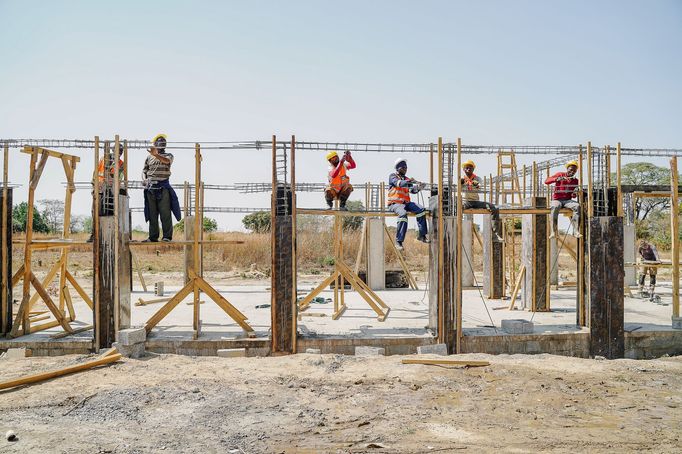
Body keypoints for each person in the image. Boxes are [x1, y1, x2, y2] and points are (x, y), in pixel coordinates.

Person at [142, 134, 181, 242]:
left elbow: (166, 161)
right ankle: (153, 237)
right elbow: (144, 171)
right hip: (151, 188)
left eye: (164, 142)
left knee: (165, 213)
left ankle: (167, 237)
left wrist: (156, 155)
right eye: (159, 142)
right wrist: (144, 180)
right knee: (152, 214)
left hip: (163, 187)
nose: (162, 143)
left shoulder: (169, 155)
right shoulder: (149, 158)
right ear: (155, 144)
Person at [388, 158, 428, 251]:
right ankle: (399, 242)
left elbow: (412, 191)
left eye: (406, 167)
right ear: (398, 168)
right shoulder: (393, 176)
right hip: (395, 204)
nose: (405, 169)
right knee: (403, 214)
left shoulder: (406, 179)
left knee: (421, 210)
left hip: (406, 203)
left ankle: (422, 235)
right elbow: (399, 184)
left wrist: (419, 187)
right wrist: (410, 182)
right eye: (403, 167)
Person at [88, 143, 125, 242]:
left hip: (111, 192)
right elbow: (95, 174)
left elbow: (118, 178)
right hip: (99, 190)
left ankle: (108, 237)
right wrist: (94, 186)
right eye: (118, 150)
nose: (119, 153)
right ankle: (94, 235)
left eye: (121, 151)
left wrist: (109, 176)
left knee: (109, 213)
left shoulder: (121, 164)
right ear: (113, 150)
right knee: (95, 212)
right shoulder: (102, 159)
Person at [461, 160, 503, 242]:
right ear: (464, 169)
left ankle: (495, 235)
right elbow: (458, 185)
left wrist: (475, 184)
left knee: (493, 208)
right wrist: (461, 182)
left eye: (470, 167)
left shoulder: (477, 178)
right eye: (467, 167)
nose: (468, 168)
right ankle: (459, 232)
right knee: (458, 209)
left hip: (475, 202)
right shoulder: (462, 179)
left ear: (473, 169)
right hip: (465, 202)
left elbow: (479, 185)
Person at [545, 160, 581, 239]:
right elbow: (546, 181)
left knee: (577, 206)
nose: (572, 171)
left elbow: (573, 195)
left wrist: (574, 193)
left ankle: (576, 231)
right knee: (554, 207)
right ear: (567, 169)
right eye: (571, 169)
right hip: (557, 200)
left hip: (567, 201)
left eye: (574, 170)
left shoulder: (575, 180)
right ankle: (553, 232)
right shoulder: (560, 174)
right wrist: (557, 179)